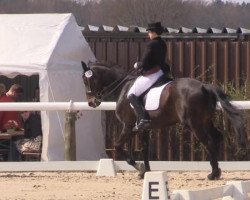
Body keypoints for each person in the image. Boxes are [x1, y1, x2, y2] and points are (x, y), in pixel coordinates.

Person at [127, 22, 170, 131]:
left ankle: (144, 118)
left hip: (152, 74)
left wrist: (138, 65)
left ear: (154, 32)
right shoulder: (163, 43)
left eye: (150, 32)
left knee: (131, 95)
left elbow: (145, 62)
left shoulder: (151, 44)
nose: (148, 34)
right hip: (161, 72)